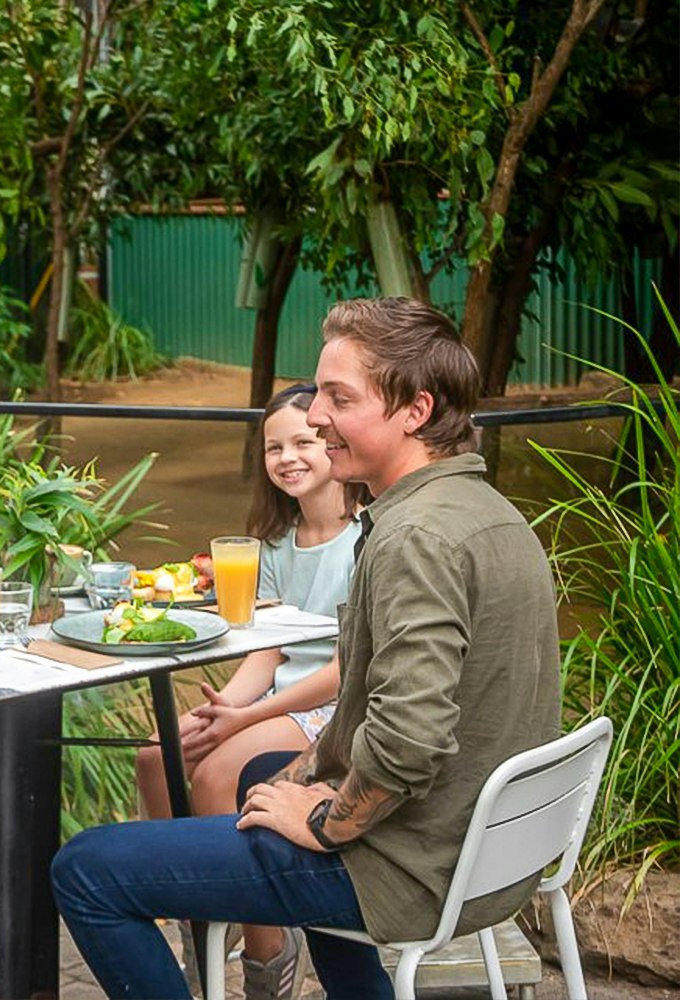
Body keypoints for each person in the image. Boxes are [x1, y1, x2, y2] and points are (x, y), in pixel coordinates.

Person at [52, 297, 562, 999]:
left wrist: (324, 821)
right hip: (479, 848)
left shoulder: (415, 539)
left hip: (408, 865)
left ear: (415, 411)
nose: (316, 416)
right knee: (264, 773)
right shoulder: (486, 510)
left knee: (87, 869)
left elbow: (409, 741)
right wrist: (301, 781)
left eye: (339, 398)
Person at [134, 384, 366, 997]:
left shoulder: (363, 542)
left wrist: (245, 720)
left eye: (303, 442)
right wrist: (227, 708)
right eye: (273, 448)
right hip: (277, 698)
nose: (287, 458)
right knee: (157, 753)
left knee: (217, 775)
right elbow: (267, 653)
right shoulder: (276, 541)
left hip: (330, 708)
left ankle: (267, 952)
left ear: (332, 441)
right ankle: (199, 922)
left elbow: (342, 673)